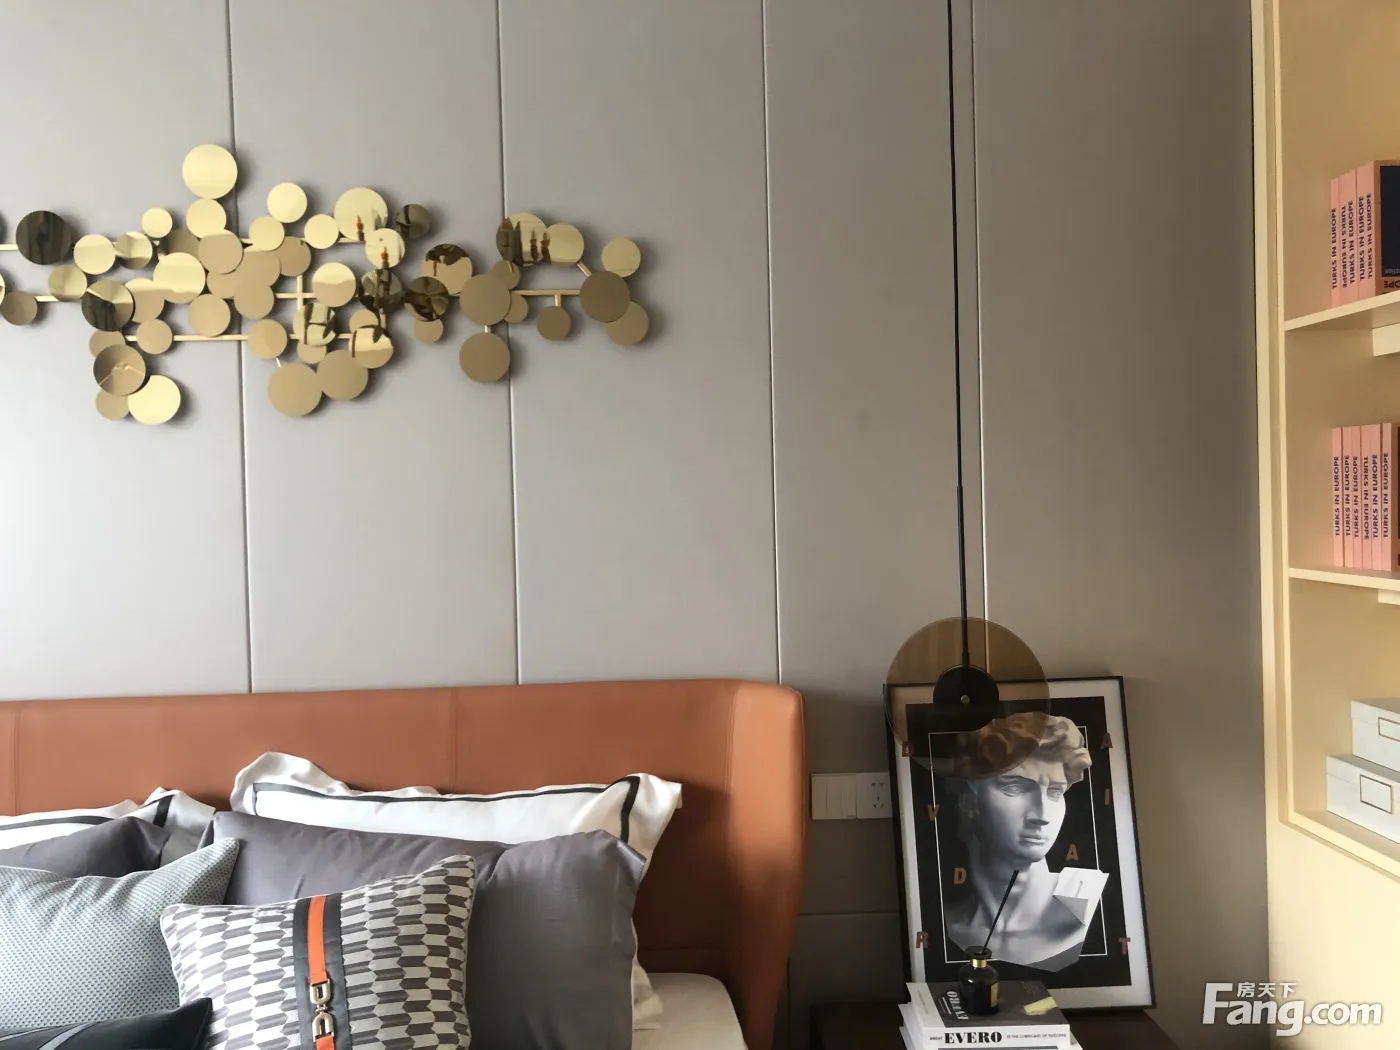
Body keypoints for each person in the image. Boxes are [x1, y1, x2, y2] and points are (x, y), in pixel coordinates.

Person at [942, 712, 1103, 971]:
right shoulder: (944, 923)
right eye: (1016, 788)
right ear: (969, 801)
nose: (1042, 815)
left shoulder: (1092, 906)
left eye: (1055, 792)